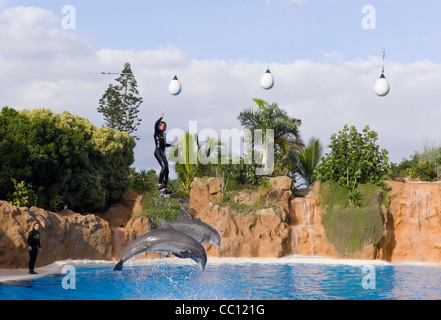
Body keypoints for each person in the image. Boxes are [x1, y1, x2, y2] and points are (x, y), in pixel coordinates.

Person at [154, 113, 173, 195]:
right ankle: (160, 184)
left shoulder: (163, 135)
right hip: (158, 151)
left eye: (166, 126)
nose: (165, 127)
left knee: (167, 170)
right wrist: (160, 118)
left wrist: (175, 145)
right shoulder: (157, 132)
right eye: (164, 126)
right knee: (164, 167)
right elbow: (155, 124)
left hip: (163, 152)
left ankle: (165, 188)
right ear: (160, 126)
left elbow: (165, 144)